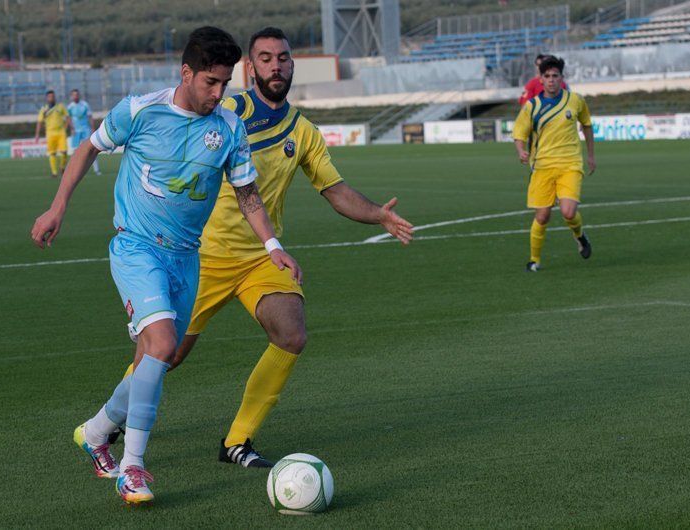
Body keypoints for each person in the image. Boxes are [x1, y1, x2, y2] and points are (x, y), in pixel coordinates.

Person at [108, 26, 414, 468]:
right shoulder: (223, 109)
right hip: (203, 254)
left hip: (259, 258)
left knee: (292, 332)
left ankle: (237, 440)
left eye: (284, 58)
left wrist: (379, 215)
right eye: (266, 58)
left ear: (292, 65)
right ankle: (114, 419)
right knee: (165, 354)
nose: (276, 66)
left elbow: (334, 189)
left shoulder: (303, 131)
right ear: (250, 67)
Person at [30, 26, 301, 504]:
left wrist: (273, 244)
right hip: (136, 247)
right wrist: (57, 207)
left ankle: (96, 431)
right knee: (162, 343)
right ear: (186, 73)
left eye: (225, 85)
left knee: (156, 358)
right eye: (210, 83)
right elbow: (89, 146)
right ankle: (131, 468)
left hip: (186, 257)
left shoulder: (229, 128)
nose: (218, 94)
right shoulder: (141, 110)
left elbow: (247, 194)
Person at [512, 55, 595, 272]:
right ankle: (534, 260)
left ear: (562, 78)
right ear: (540, 79)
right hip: (542, 166)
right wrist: (521, 150)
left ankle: (580, 236)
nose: (551, 80)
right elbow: (519, 134)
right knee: (543, 215)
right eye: (547, 76)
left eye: (555, 76)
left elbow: (586, 124)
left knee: (568, 212)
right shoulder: (532, 106)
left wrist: (591, 155)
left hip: (570, 164)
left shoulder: (575, 100)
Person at [34, 90, 70, 178]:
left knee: (64, 152)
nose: (52, 98)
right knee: (52, 153)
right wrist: (37, 134)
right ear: (47, 98)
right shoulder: (44, 109)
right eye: (50, 97)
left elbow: (68, 117)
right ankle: (54, 172)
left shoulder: (60, 107)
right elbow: (39, 122)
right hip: (50, 133)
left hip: (61, 132)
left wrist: (66, 127)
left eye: (53, 96)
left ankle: (62, 167)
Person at [67, 89, 101, 175]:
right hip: (76, 132)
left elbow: (90, 116)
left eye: (77, 94)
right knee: (75, 151)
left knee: (91, 149)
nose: (75, 96)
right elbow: (68, 118)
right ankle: (74, 171)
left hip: (86, 130)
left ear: (79, 95)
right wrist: (72, 128)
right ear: (71, 96)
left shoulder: (85, 104)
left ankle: (96, 170)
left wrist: (93, 128)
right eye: (74, 95)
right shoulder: (70, 107)